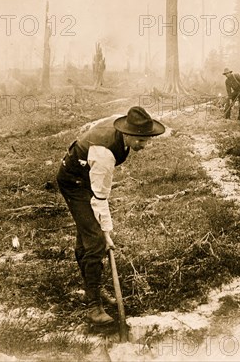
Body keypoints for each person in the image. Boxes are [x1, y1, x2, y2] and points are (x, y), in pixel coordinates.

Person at [56, 106, 165, 325]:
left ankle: (91, 290)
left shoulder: (120, 127)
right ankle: (94, 307)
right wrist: (106, 232)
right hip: (74, 183)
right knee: (95, 240)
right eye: (140, 140)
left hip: (88, 176)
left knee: (87, 237)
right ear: (127, 133)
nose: (145, 144)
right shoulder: (104, 153)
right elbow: (100, 198)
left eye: (147, 139)